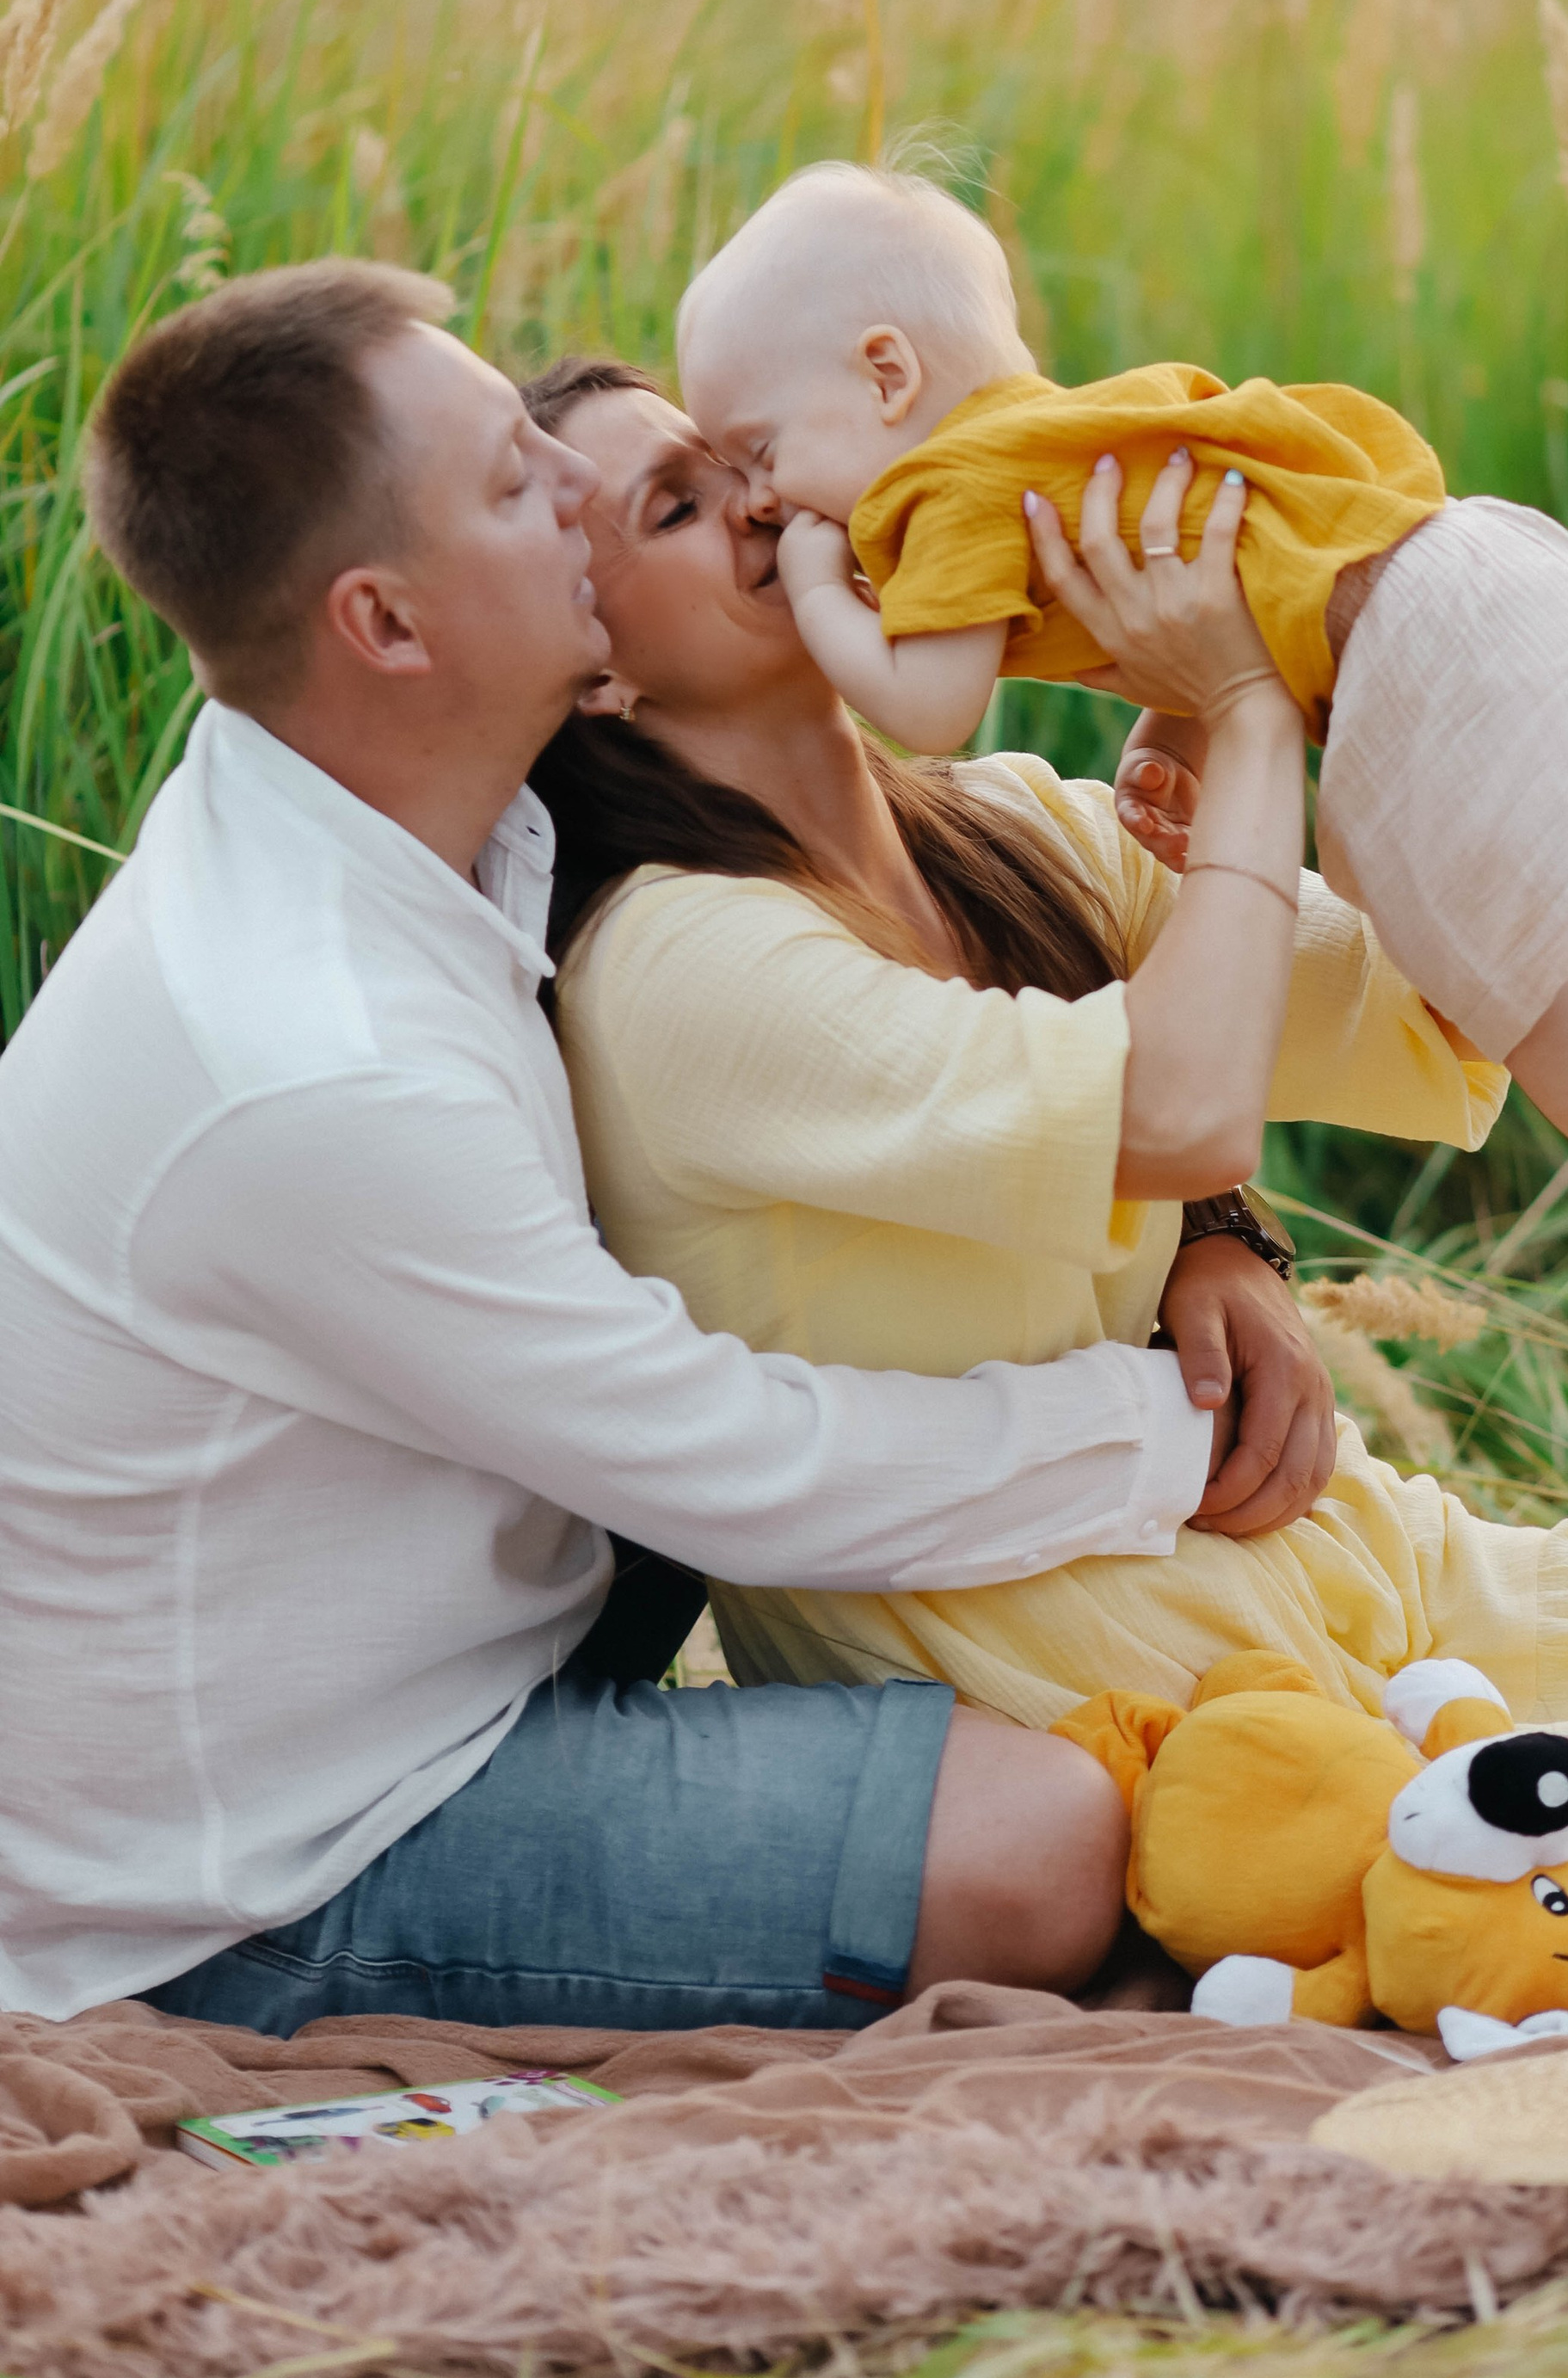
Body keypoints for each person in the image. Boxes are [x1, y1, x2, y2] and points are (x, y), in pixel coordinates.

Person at [528, 354, 1568, 1955]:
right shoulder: (677, 963)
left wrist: (1368, 640)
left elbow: (1441, 984)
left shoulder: (999, 831)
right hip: (1057, 1671)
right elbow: (1175, 1108)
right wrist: (1246, 723)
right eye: (681, 505)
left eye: (750, 459)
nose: (766, 505)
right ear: (595, 667)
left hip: (1270, 1545)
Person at [0, 259, 1299, 2034]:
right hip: (261, 1857)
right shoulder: (308, 1055)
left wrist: (1214, 1226)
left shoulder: (430, 821)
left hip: (483, 1665)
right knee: (1036, 1833)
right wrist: (1158, 1425)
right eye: (510, 480)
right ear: (387, 625)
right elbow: (718, 1460)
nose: (569, 486)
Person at [675, 158, 1568, 1310]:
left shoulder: (937, 489)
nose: (762, 499)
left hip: (1414, 637)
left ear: (888, 376)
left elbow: (928, 708)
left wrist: (827, 590)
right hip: (1480, 568)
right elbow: (1241, 558)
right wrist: (1182, 721)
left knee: (1443, 905)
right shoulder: (1081, 432)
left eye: (760, 451)